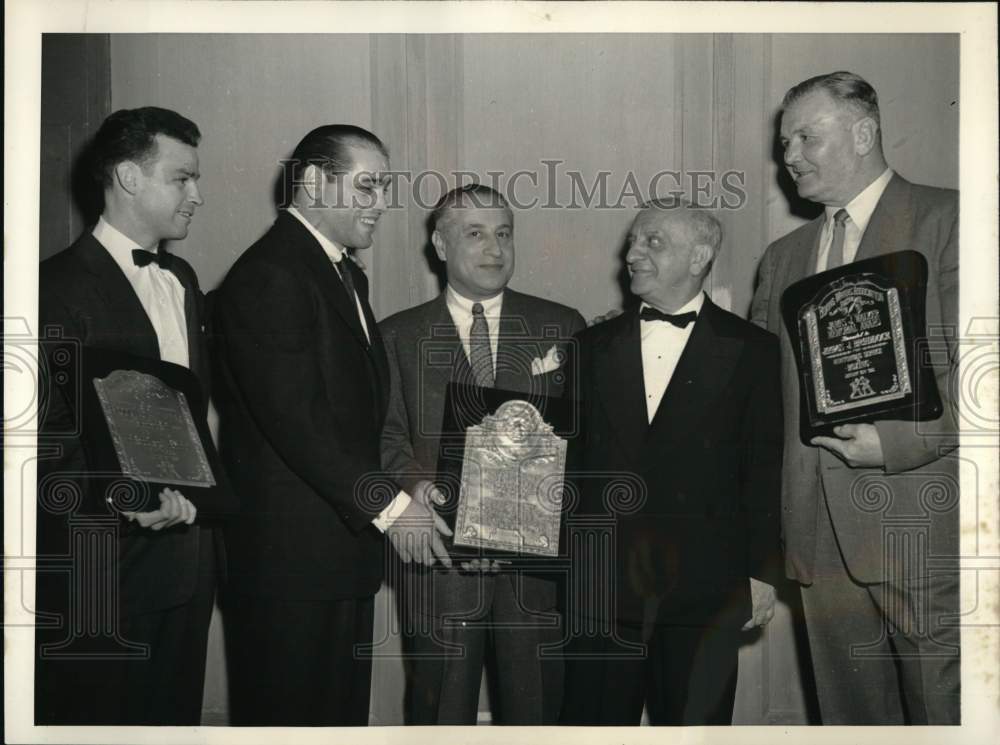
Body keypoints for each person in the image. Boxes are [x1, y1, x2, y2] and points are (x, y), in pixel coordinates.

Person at [212, 124, 451, 726]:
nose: (381, 204)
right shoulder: (272, 273)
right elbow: (300, 422)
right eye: (367, 187)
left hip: (336, 554)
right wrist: (393, 509)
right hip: (289, 565)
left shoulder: (340, 272)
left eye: (385, 188)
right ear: (315, 183)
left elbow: (356, 418)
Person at [750, 71, 960, 724]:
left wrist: (895, 441)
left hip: (916, 525)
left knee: (943, 716)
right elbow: (759, 403)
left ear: (864, 133)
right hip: (815, 535)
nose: (789, 158)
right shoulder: (782, 256)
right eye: (785, 144)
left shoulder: (948, 219)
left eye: (806, 137)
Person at [560, 201, 783, 726]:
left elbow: (763, 469)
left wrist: (761, 573)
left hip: (706, 592)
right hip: (603, 591)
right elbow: (568, 468)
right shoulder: (589, 347)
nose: (631, 254)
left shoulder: (754, 350)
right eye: (633, 241)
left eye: (652, 242)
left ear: (700, 256)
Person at [36, 107, 217, 725]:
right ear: (129, 178)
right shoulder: (50, 287)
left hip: (189, 560)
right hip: (101, 564)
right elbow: (40, 438)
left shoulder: (184, 280)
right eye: (182, 178)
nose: (198, 195)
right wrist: (119, 496)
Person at [379, 184, 586, 724]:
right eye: (475, 233)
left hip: (534, 565)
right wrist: (416, 489)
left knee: (538, 705)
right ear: (441, 246)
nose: (494, 248)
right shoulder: (397, 335)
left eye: (503, 233)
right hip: (440, 555)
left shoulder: (562, 326)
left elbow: (590, 439)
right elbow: (386, 437)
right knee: (441, 706)